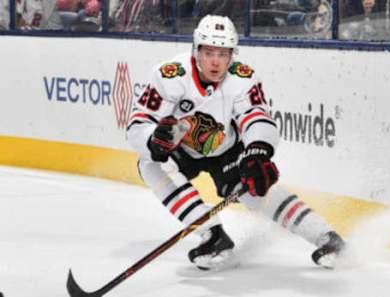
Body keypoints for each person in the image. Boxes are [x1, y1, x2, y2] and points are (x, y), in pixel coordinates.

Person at [126, 14, 345, 271]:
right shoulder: (170, 75)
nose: (216, 62)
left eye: (223, 54)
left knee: (256, 189)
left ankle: (327, 238)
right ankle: (213, 235)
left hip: (226, 149)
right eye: (209, 53)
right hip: (180, 150)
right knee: (150, 164)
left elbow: (257, 117)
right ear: (196, 51)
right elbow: (138, 122)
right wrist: (153, 139)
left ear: (233, 55)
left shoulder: (242, 77)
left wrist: (258, 153)